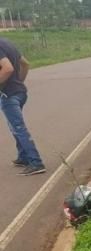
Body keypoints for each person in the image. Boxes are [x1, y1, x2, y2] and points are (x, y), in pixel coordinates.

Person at [0, 37, 46, 176]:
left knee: (18, 128)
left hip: (8, 94)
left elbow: (7, 68)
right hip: (19, 92)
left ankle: (36, 162)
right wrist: (19, 82)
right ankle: (23, 157)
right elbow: (25, 64)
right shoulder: (7, 42)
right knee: (14, 126)